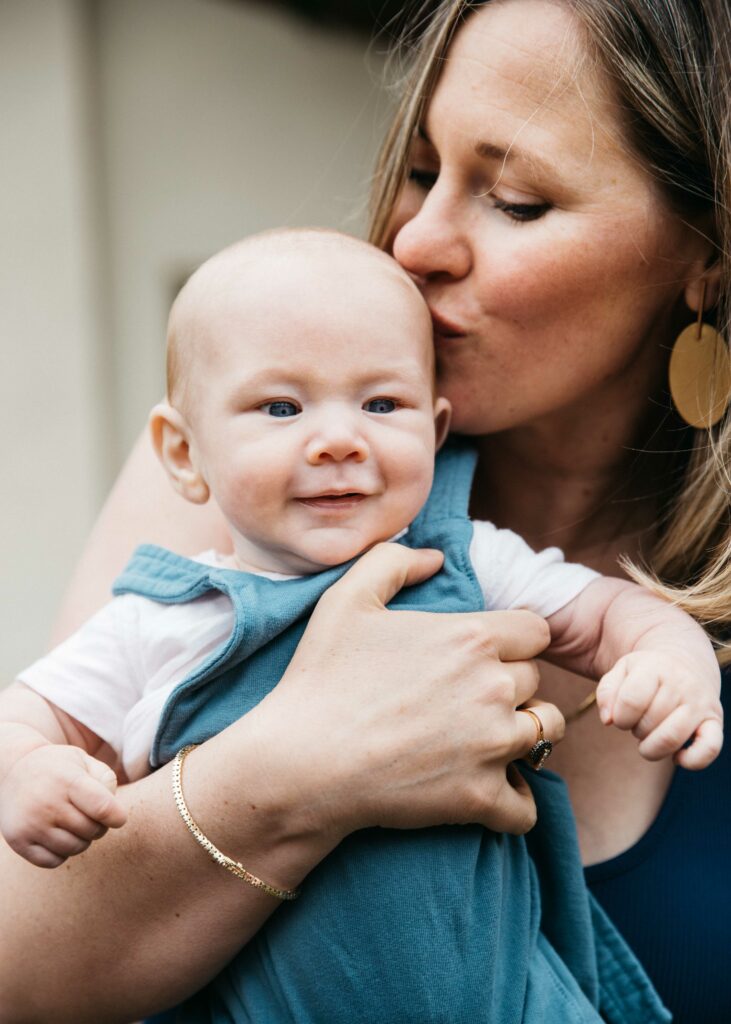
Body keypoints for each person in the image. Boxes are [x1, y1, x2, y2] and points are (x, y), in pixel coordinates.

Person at [1, 1, 729, 1023]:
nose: (415, 240)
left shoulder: (532, 576)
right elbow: (16, 957)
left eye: (514, 199)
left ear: (703, 253)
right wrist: (306, 762)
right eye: (423, 169)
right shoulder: (245, 474)